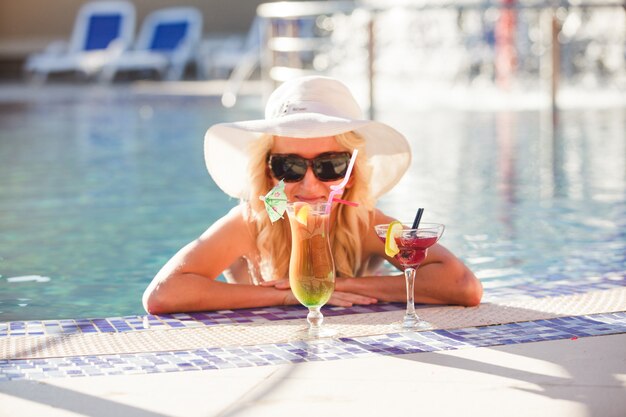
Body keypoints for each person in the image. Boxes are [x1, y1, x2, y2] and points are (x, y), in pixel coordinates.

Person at [143, 76, 482, 314]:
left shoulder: (362, 223)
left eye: (329, 165)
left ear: (350, 173)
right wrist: (287, 297)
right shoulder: (252, 222)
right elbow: (163, 294)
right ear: (267, 169)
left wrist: (342, 287)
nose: (308, 186)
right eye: (289, 166)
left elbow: (462, 285)